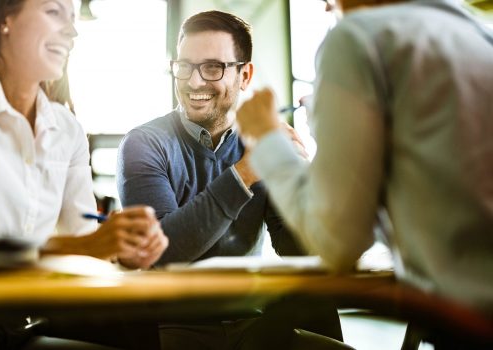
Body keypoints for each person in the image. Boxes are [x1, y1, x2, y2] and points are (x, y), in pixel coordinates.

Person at [0, 0, 167, 348]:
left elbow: (82, 235)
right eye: (53, 12)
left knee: (138, 323)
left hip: (23, 322)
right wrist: (85, 244)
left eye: (73, 19)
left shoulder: (66, 128)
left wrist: (123, 251)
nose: (72, 31)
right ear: (5, 20)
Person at [237, 0, 493, 315]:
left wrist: (266, 139)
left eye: (329, 2)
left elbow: (336, 243)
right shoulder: (476, 34)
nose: (328, 9)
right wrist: (335, 122)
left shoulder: (357, 38)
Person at [117, 10, 346, 350]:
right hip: (173, 327)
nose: (195, 82)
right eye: (184, 66)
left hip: (252, 321)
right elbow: (163, 252)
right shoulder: (143, 143)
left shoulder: (259, 142)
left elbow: (298, 250)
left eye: (213, 67)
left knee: (321, 313)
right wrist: (248, 170)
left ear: (245, 75)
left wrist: (306, 173)